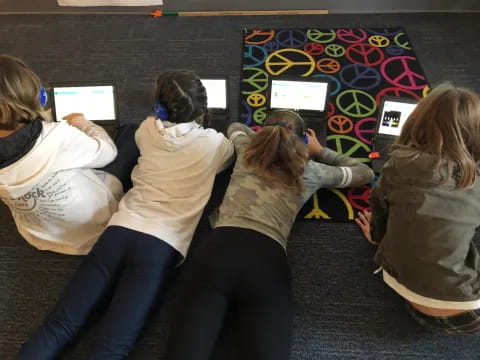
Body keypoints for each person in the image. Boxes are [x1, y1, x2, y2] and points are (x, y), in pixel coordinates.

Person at [17, 70, 234, 359]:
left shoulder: (145, 129)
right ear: (203, 110)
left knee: (58, 325)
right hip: (160, 247)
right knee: (113, 345)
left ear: (158, 108)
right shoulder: (215, 144)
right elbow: (227, 158)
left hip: (118, 230)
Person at [166, 109, 374, 360]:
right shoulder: (311, 169)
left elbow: (234, 126)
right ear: (303, 142)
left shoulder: (247, 152)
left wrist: (263, 138)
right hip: (266, 260)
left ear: (262, 133)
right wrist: (319, 150)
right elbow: (364, 173)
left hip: (218, 248)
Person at [355, 83, 480, 334]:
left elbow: (379, 207)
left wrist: (378, 237)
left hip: (401, 286)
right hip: (470, 315)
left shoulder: (398, 163)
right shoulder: (474, 177)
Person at [0, 54, 138, 255]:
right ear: (40, 98)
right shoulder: (58, 136)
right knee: (130, 133)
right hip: (97, 229)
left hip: (41, 235)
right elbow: (107, 154)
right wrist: (82, 123)